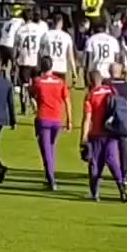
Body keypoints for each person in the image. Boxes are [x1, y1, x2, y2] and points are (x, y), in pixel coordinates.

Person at [80, 70, 127, 202]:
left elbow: (87, 118)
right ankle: (121, 187)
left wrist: (83, 138)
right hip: (112, 132)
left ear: (90, 81)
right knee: (113, 160)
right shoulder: (111, 90)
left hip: (96, 134)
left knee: (95, 164)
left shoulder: (90, 96)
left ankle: (95, 192)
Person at [31, 56, 72, 190]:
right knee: (51, 147)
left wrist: (35, 106)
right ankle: (49, 176)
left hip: (43, 119)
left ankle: (51, 179)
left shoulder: (38, 82)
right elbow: (67, 101)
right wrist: (69, 120)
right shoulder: (60, 82)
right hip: (56, 120)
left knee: (46, 150)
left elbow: (32, 95)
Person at [14, 12, 45, 113]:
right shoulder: (39, 29)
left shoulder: (20, 30)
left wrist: (15, 60)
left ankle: (24, 107)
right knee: (36, 83)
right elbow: (43, 44)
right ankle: (36, 102)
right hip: (36, 60)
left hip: (24, 60)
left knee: (24, 85)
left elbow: (16, 47)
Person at [40, 14, 75, 84]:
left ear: (53, 22)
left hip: (49, 67)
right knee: (59, 90)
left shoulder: (46, 34)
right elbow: (70, 56)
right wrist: (74, 72)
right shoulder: (67, 36)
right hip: (61, 67)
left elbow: (41, 52)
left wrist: (41, 66)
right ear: (61, 23)